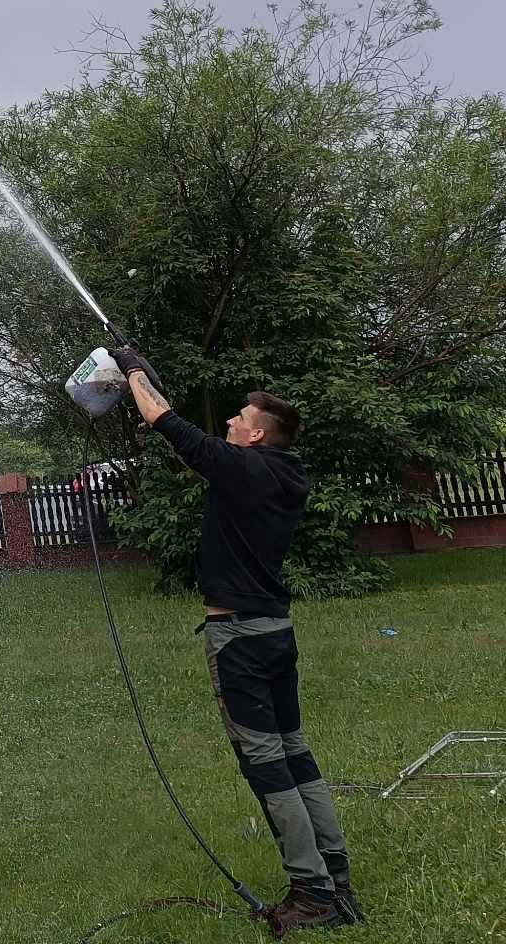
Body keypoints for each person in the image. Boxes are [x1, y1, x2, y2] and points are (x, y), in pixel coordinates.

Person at [110, 345, 364, 935]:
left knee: (266, 765)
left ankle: (313, 894)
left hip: (239, 641)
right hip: (275, 632)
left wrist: (133, 374)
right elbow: (186, 430)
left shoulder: (244, 468)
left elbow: (166, 425)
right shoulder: (281, 472)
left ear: (255, 437)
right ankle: (336, 879)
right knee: (297, 755)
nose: (228, 422)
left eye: (238, 420)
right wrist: (145, 375)